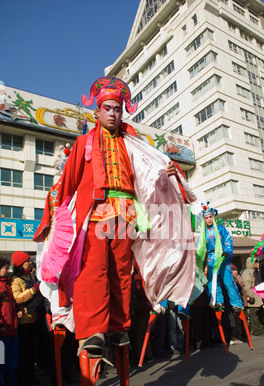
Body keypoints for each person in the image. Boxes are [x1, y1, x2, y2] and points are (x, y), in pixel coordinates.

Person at [34, 77, 198, 357]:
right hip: (95, 217)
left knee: (122, 273)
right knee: (93, 271)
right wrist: (50, 216)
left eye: (118, 109)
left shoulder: (134, 146)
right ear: (97, 112)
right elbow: (66, 183)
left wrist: (170, 177)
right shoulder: (84, 142)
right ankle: (93, 331)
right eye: (107, 108)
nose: (113, 113)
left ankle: (119, 327)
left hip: (127, 216)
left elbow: (151, 178)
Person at [196, 203, 243, 313]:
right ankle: (218, 301)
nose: (208, 219)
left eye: (210, 217)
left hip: (222, 257)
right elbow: (199, 247)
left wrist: (227, 251)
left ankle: (236, 303)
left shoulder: (221, 229)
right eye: (206, 217)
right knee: (213, 282)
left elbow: (227, 240)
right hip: (211, 258)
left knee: (228, 281)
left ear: (213, 217)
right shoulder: (203, 233)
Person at [10, 251, 41, 386]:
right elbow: (17, 298)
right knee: (24, 355)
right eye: (27, 261)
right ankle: (24, 382)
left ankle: (32, 379)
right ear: (21, 264)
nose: (30, 262)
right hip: (24, 323)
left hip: (34, 319)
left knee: (32, 352)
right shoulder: (15, 280)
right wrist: (33, 291)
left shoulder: (30, 275)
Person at [0, 257, 23, 386]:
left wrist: (18, 309)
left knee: (12, 361)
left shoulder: (7, 285)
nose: (8, 270)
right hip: (2, 331)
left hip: (13, 328)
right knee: (1, 363)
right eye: (5, 268)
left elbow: (11, 304)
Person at [241, 257, 264, 336]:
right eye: (255, 262)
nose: (257, 264)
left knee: (260, 313)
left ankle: (261, 328)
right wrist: (251, 296)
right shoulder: (247, 272)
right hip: (253, 295)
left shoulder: (255, 271)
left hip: (258, 294)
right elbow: (247, 285)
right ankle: (256, 330)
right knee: (254, 314)